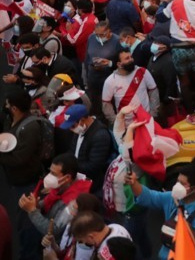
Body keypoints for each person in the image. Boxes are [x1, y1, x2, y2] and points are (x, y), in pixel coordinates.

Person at [0, 87, 51, 259]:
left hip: (27, 184)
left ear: (14, 108)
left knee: (27, 227)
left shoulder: (30, 128)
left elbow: (19, 159)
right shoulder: (12, 119)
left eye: (7, 104)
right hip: (17, 181)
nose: (5, 106)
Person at [125, 163, 195, 260]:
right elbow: (149, 196)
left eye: (182, 183)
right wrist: (134, 183)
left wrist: (185, 228)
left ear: (193, 189)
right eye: (177, 181)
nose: (177, 186)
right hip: (165, 255)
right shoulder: (173, 198)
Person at [57, 104, 113, 194]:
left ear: (82, 120)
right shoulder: (80, 129)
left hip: (93, 186)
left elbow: (94, 166)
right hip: (77, 178)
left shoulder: (100, 135)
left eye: (72, 126)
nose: (71, 129)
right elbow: (72, 151)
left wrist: (70, 168)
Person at [101, 49, 159, 124]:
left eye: (131, 57)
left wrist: (152, 115)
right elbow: (106, 104)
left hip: (146, 120)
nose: (131, 60)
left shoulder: (142, 72)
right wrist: (117, 123)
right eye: (127, 58)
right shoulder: (110, 81)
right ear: (119, 64)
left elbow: (154, 92)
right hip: (126, 125)